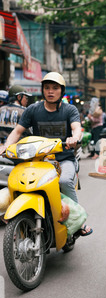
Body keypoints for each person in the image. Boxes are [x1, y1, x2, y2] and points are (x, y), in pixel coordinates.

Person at [0, 72, 93, 237]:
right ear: (42, 90)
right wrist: (6, 146)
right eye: (47, 88)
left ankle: (78, 221)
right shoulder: (33, 110)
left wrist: (75, 138)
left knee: (64, 181)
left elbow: (76, 128)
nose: (50, 91)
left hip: (64, 159)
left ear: (61, 91)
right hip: (38, 161)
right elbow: (17, 131)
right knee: (22, 182)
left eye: (55, 88)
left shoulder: (69, 109)